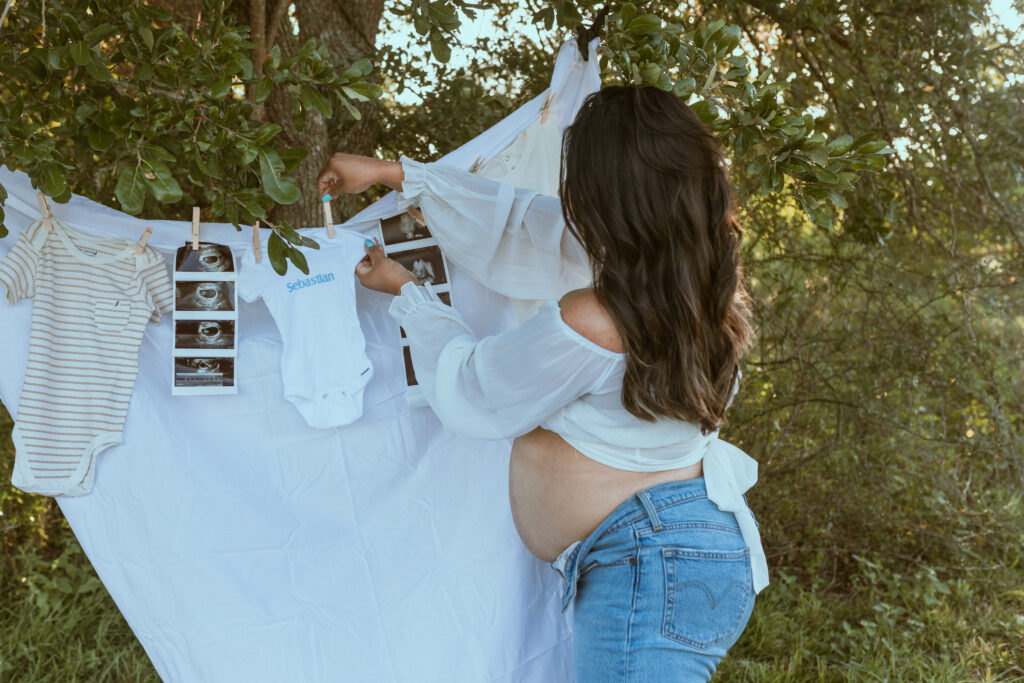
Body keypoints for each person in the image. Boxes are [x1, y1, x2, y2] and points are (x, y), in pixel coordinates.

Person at [317, 85, 768, 682]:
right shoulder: (696, 291)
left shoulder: (597, 318)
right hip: (675, 551)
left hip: (651, 561)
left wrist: (409, 293)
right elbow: (530, 229)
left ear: (609, 200)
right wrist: (395, 174)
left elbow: (477, 391)